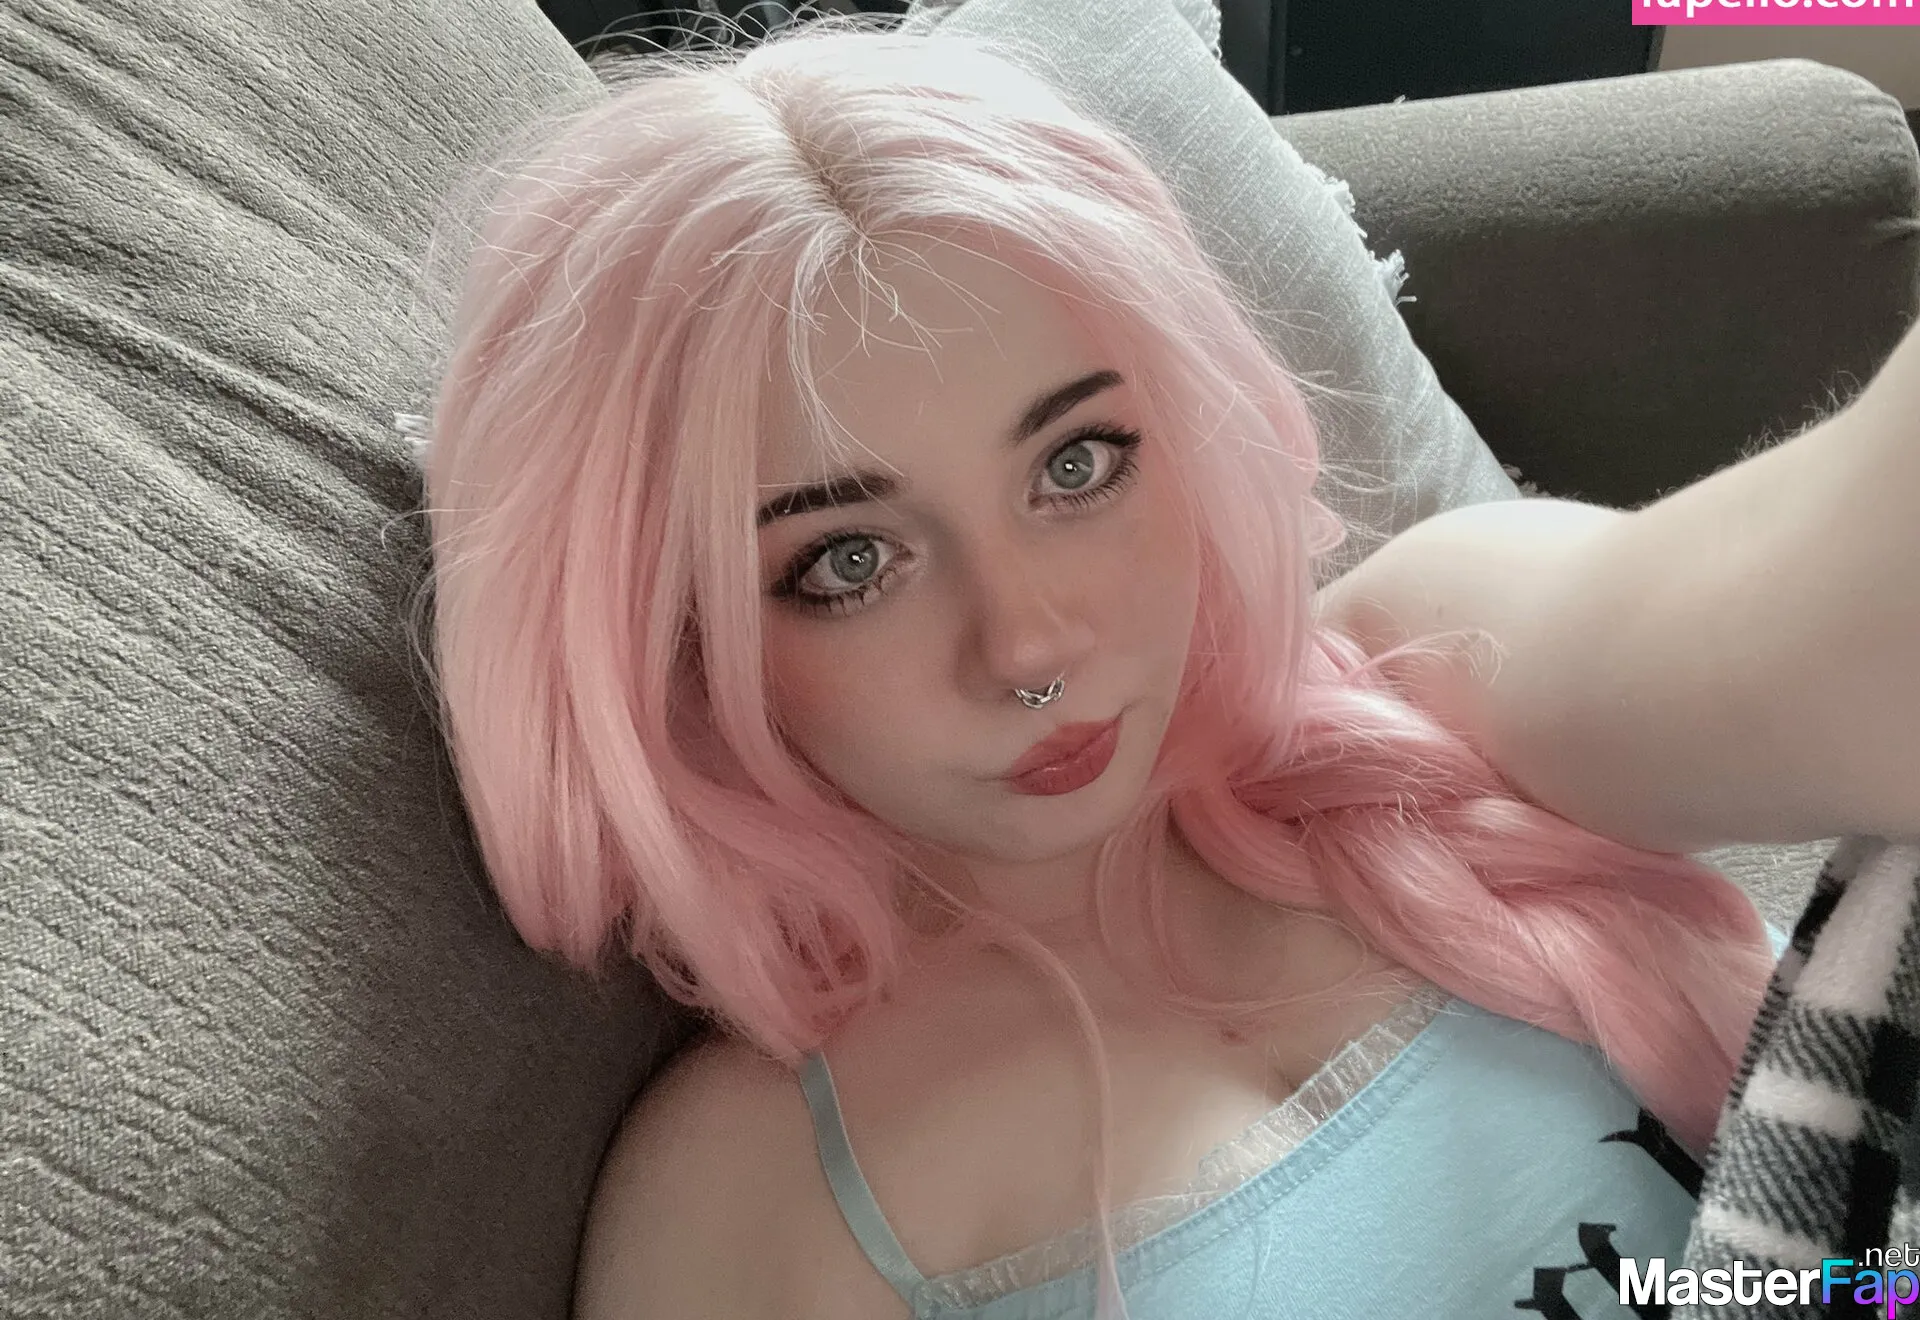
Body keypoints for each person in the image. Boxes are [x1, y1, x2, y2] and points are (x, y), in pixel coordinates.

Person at [414, 19, 1913, 1319]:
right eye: (848, 562)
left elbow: (1856, 617)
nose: (1029, 645)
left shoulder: (1435, 655)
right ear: (667, 640)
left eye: (1078, 464)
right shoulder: (753, 1198)